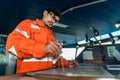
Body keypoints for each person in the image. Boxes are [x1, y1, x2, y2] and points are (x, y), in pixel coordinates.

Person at [6, 7, 79, 74]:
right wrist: (42, 48)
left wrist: (67, 63)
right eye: (52, 17)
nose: (53, 21)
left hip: (46, 76)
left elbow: (53, 58)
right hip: (27, 76)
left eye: (56, 21)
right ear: (45, 13)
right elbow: (12, 44)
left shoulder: (51, 36)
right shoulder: (28, 24)